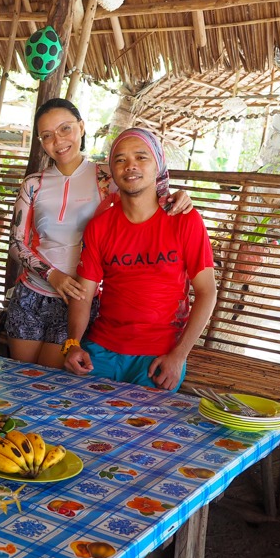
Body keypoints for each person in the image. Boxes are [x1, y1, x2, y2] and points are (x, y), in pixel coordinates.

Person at [7, 98, 191, 368]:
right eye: (47, 136)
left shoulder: (108, 177)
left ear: (81, 127)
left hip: (80, 300)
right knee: (19, 377)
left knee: (50, 384)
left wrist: (181, 195)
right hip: (31, 296)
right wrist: (52, 275)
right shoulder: (33, 184)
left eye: (65, 129)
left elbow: (152, 195)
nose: (58, 141)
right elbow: (15, 243)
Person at [62, 128, 217, 390]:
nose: (130, 165)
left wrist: (179, 356)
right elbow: (84, 295)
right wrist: (73, 343)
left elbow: (207, 292)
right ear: (111, 170)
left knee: (142, 429)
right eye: (120, 159)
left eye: (141, 157)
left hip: (158, 357)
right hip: (100, 350)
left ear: (158, 165)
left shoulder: (184, 220)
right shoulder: (99, 226)